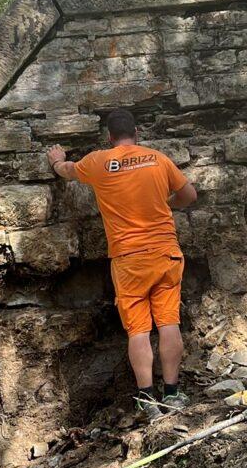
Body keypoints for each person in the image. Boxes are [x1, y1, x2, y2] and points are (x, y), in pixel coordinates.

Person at [47, 109, 197, 419]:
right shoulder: (157, 158)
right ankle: (172, 393)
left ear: (109, 137)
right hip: (165, 253)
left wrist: (55, 160)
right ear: (137, 132)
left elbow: (67, 170)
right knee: (169, 324)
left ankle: (146, 399)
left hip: (129, 259)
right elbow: (189, 195)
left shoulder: (99, 161)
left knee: (138, 331)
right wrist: (166, 203)